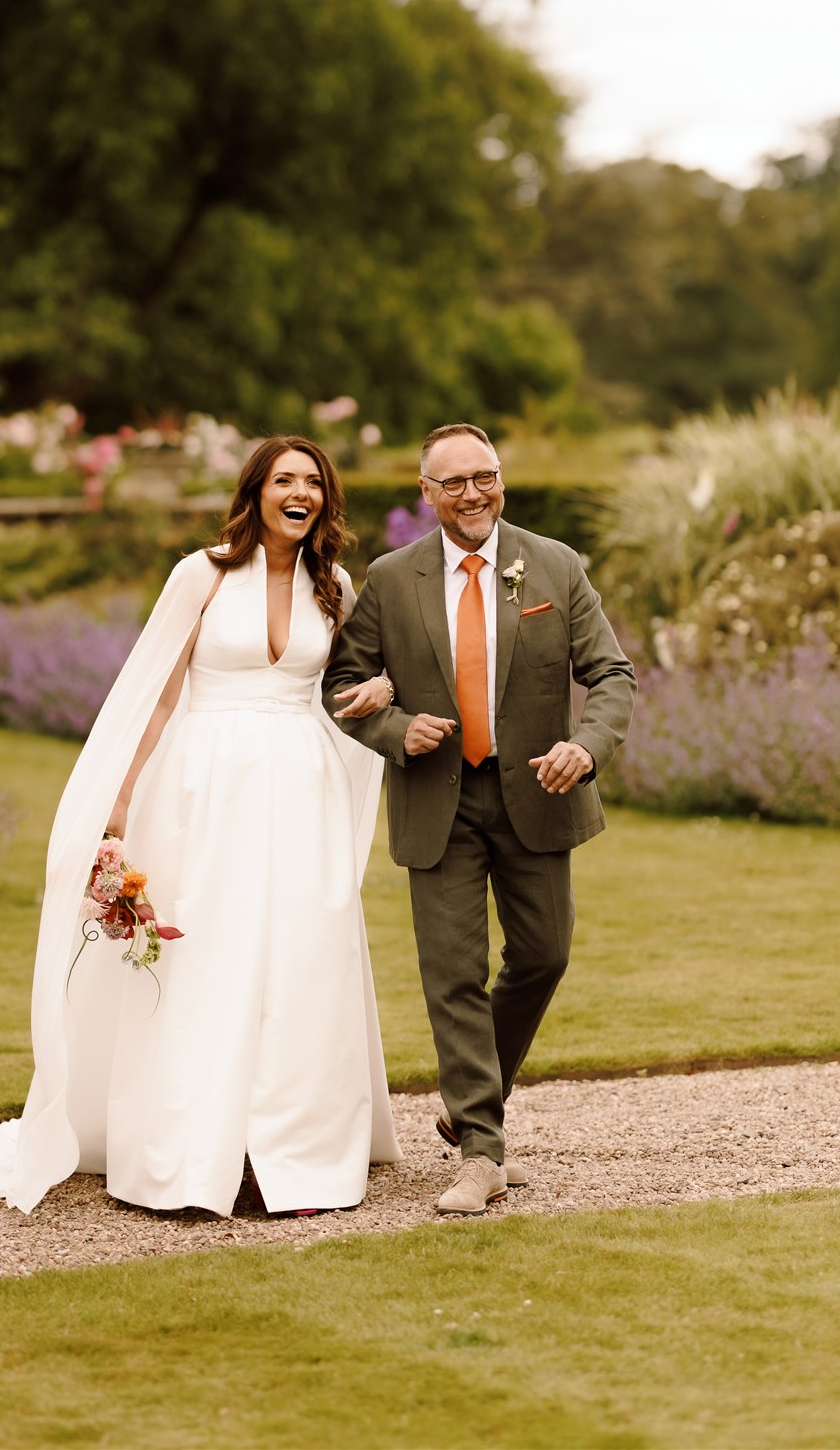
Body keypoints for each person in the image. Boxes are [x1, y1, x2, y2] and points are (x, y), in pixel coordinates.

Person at [0, 436, 401, 1216]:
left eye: (314, 483)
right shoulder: (202, 572)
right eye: (284, 480)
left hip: (301, 788)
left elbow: (345, 686)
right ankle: (189, 1154)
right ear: (255, 491)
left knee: (302, 955)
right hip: (205, 785)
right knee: (208, 957)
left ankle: (297, 1159)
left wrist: (376, 691)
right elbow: (157, 695)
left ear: (326, 500)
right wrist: (120, 801)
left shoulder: (333, 585)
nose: (301, 493)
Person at [322, 422, 637, 1215]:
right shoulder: (392, 580)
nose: (471, 494)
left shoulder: (554, 565)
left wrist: (586, 747)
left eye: (483, 477)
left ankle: (469, 1105)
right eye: (452, 482)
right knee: (452, 975)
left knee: (543, 954)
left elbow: (610, 674)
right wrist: (396, 731)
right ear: (425, 494)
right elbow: (343, 685)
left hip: (536, 792)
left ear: (501, 480)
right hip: (438, 800)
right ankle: (480, 1153)